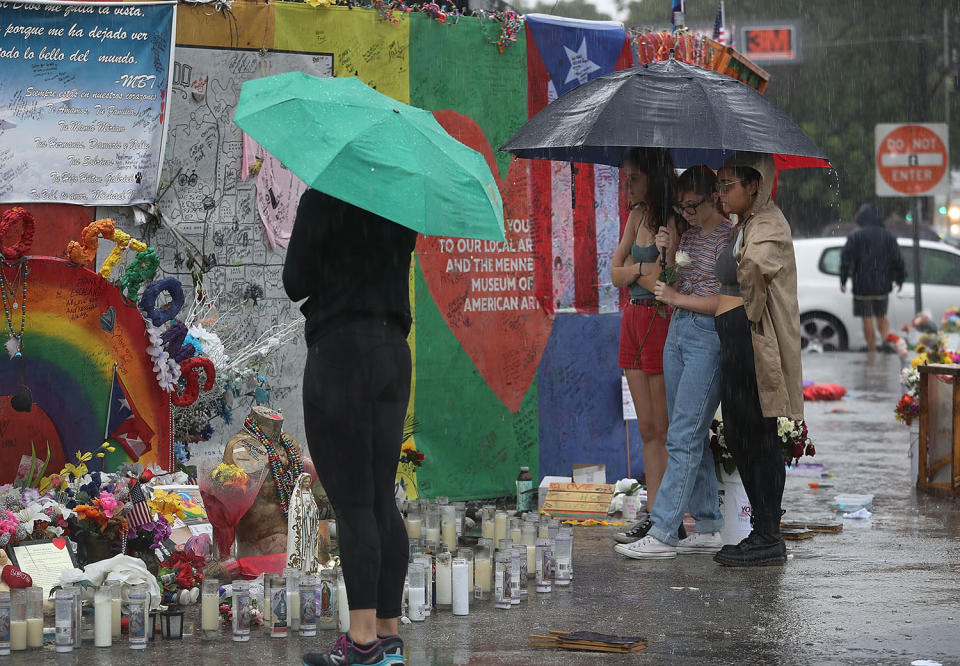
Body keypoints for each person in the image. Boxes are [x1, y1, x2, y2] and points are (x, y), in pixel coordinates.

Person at [284, 189, 416, 665]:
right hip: (392, 351)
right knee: (382, 498)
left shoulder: (325, 195)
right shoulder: (398, 199)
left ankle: (361, 644)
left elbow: (295, 281)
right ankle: (388, 636)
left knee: (354, 501)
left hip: (340, 353)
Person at [615, 165, 733, 559]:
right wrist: (667, 250)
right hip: (678, 332)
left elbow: (724, 301)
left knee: (681, 433)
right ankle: (708, 524)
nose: (687, 214)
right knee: (691, 433)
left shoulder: (728, 239)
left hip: (705, 336)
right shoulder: (691, 234)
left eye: (693, 206)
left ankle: (665, 529)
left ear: (715, 196)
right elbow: (671, 280)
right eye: (682, 208)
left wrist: (677, 299)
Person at [712, 152, 803, 567]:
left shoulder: (768, 223)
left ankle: (768, 533)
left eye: (728, 184)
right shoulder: (747, 222)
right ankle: (762, 530)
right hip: (737, 339)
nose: (721, 193)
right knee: (740, 431)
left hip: (753, 341)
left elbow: (755, 265)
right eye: (719, 184)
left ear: (754, 185)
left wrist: (748, 309)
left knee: (758, 433)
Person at [610, 148, 682, 546]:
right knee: (646, 429)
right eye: (625, 178)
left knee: (662, 427)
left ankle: (664, 515)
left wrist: (665, 255)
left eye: (633, 177)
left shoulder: (669, 220)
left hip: (658, 317)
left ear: (652, 178)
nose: (628, 185)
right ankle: (655, 512)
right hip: (633, 319)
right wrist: (640, 270)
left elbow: (669, 275)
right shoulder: (635, 216)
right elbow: (615, 271)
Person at [840, 203, 905, 352]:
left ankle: (873, 349)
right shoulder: (887, 236)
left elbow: (846, 259)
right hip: (882, 283)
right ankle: (886, 342)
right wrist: (900, 278)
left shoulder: (855, 235)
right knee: (881, 315)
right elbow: (897, 259)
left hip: (861, 284)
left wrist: (843, 280)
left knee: (866, 317)